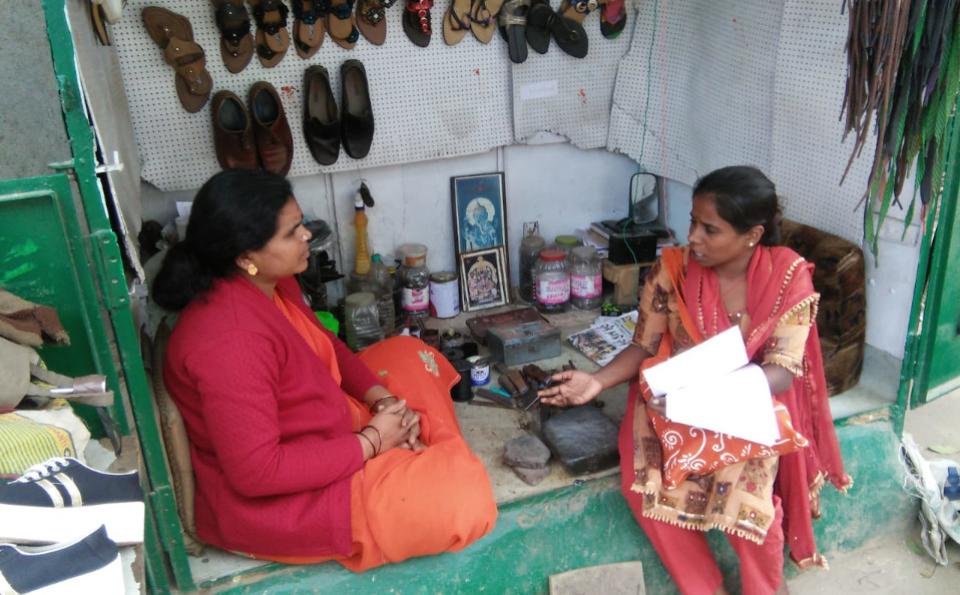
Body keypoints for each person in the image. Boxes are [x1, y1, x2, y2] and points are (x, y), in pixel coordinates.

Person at [152, 169, 497, 570]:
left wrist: (384, 402)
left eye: (301, 224)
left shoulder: (272, 281)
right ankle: (421, 454)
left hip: (328, 420)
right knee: (465, 500)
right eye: (291, 232)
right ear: (245, 256)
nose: (307, 236)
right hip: (289, 502)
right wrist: (370, 442)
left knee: (406, 352)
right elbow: (258, 473)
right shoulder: (229, 342)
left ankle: (414, 445)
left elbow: (326, 344)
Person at [539, 166, 851, 595]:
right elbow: (644, 347)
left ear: (752, 235)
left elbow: (779, 371)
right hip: (672, 399)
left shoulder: (787, 276)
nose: (694, 238)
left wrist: (710, 399)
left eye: (710, 229)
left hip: (745, 404)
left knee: (750, 503)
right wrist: (596, 382)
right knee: (647, 484)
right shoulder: (674, 270)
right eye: (692, 222)